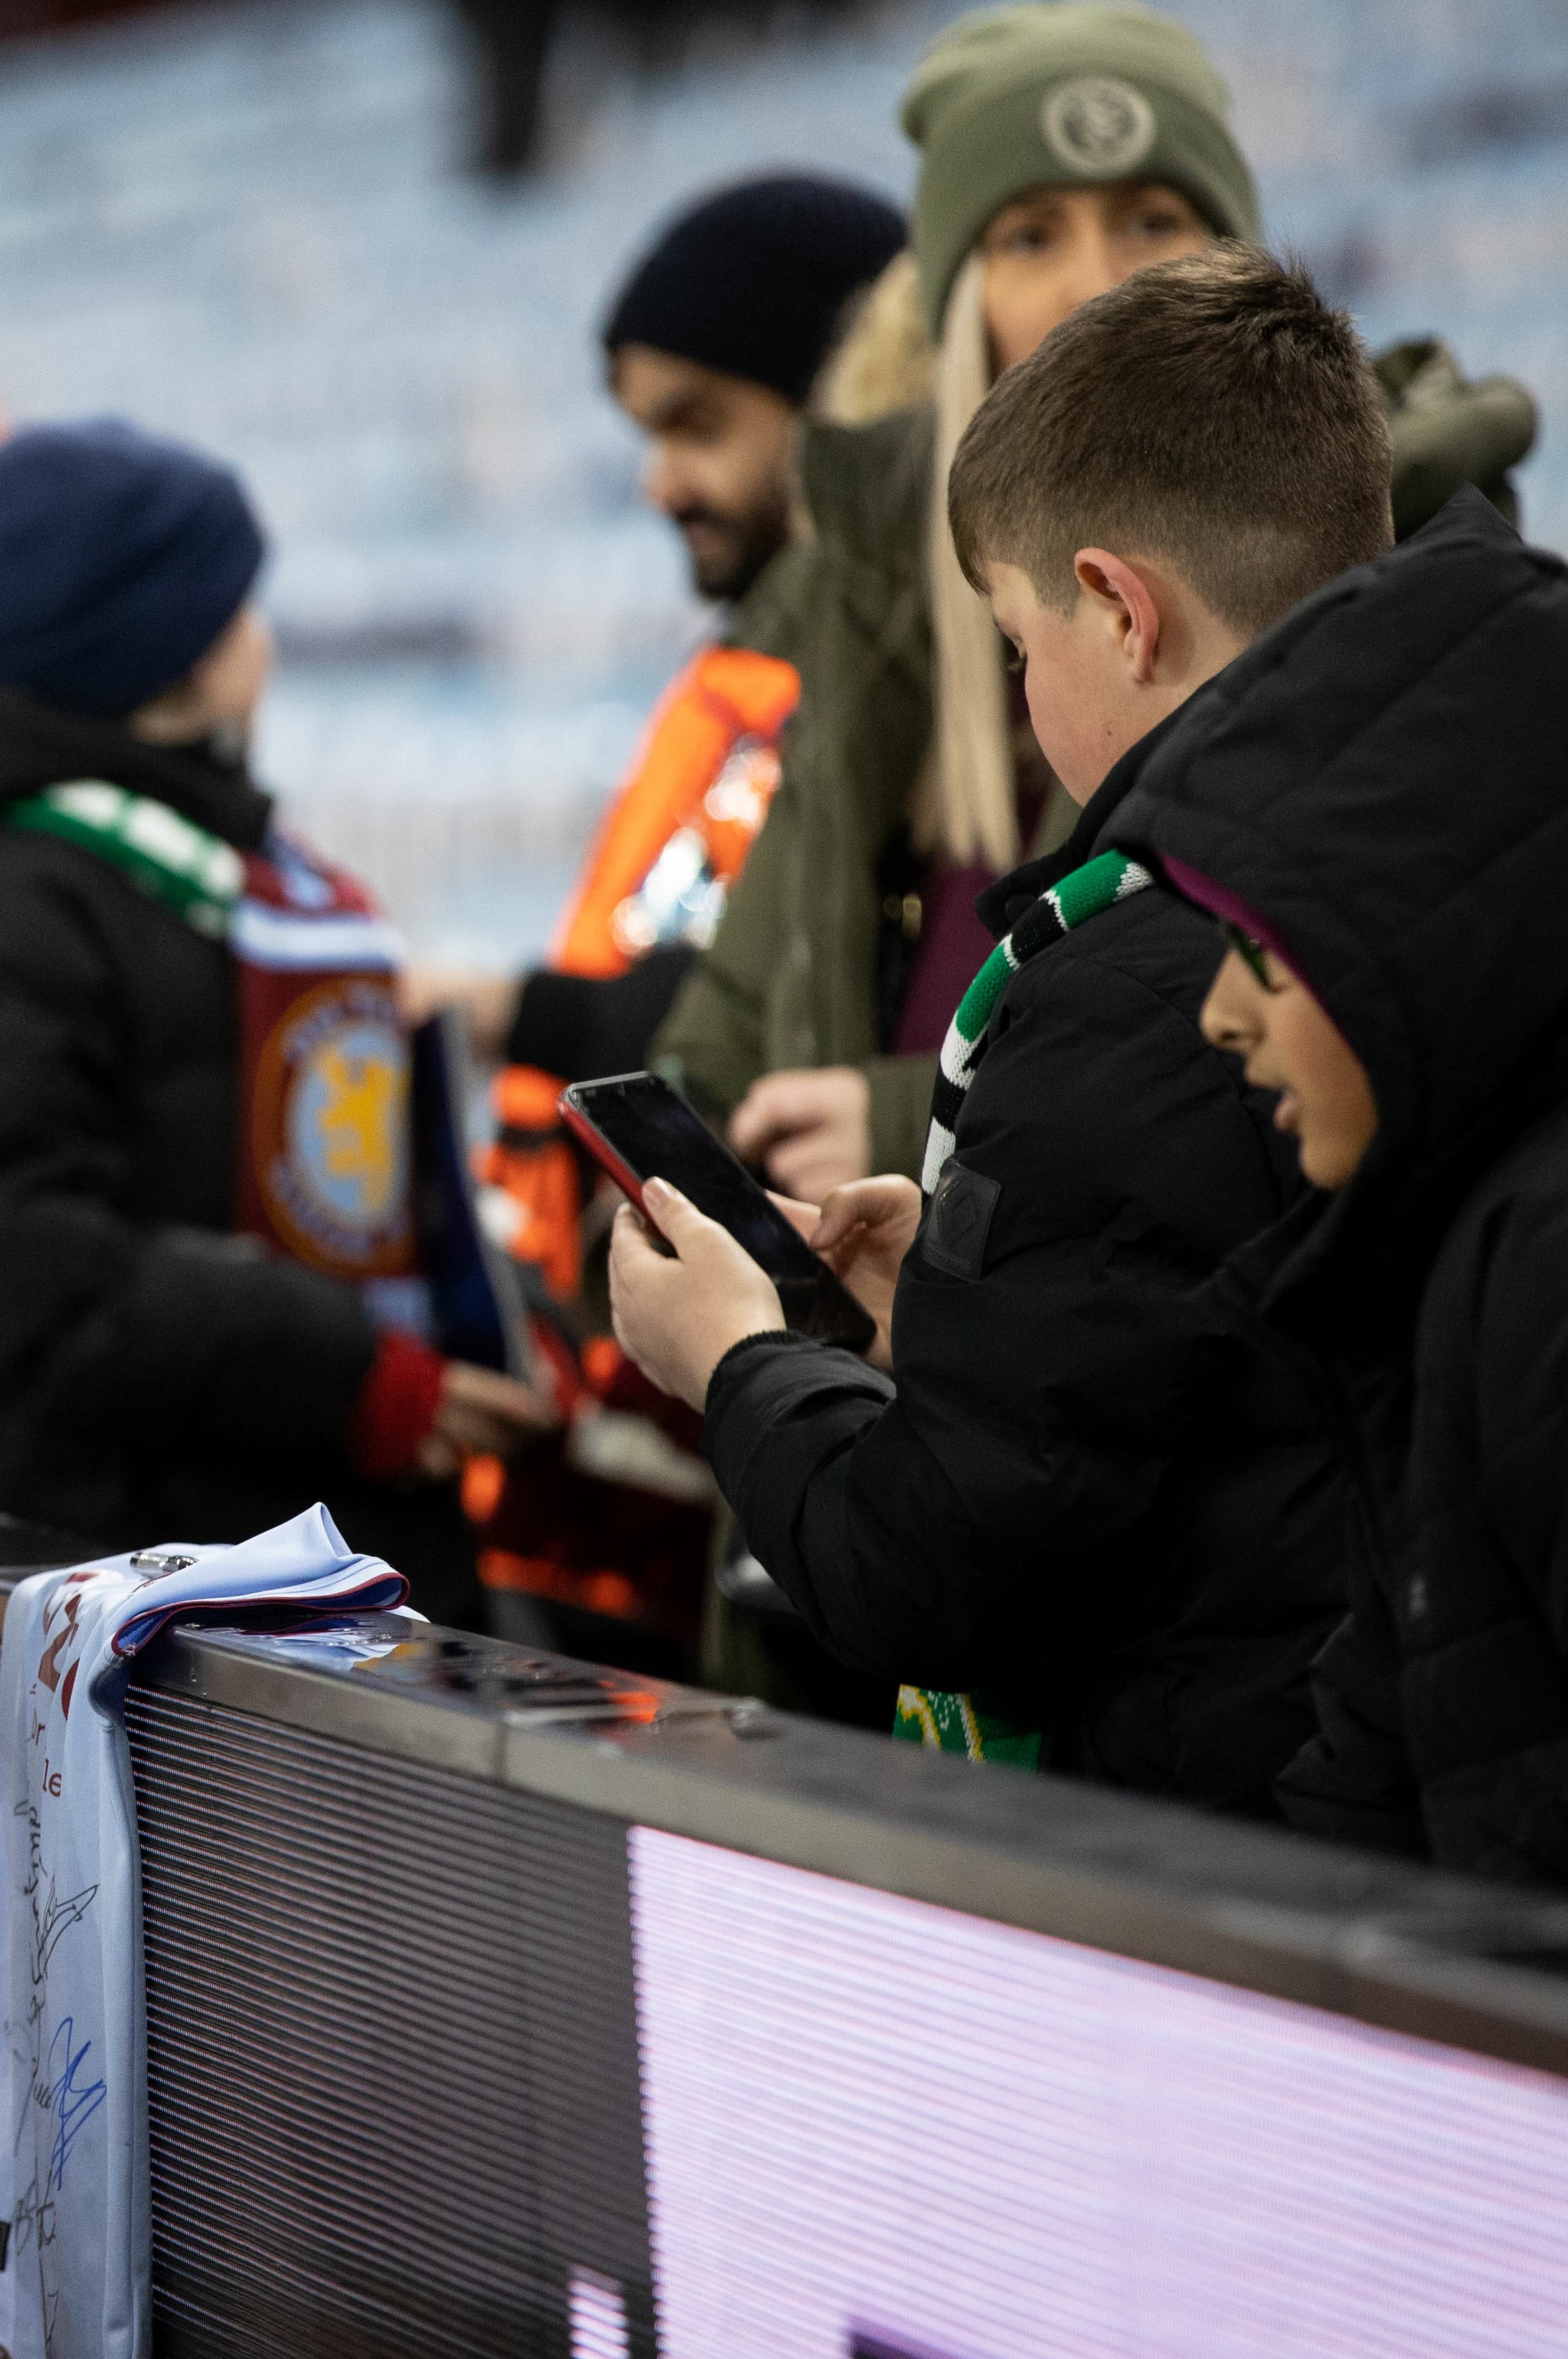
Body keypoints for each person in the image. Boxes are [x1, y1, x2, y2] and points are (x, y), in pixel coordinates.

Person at [607, 247, 1388, 1811]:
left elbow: (937, 1568)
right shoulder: (1439, 820)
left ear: (1115, 606)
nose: (1023, 695)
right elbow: (1223, 1362)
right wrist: (958, 1317)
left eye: (1021, 650)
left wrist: (738, 1364)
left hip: (1241, 1847)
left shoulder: (1145, 964)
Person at [649, 1, 1535, 1203]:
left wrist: (908, 1117)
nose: (1100, 281)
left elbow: (1366, 1029)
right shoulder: (870, 596)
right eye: (1028, 236)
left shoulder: (1397, 562)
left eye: (1153, 219)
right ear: (959, 303)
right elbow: (739, 1005)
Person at [0, 421, 554, 1613]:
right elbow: (10, 1273)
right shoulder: (13, 905)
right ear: (168, 652)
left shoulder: (194, 869)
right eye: (237, 604)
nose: (260, 640)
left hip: (259, 1566)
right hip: (154, 1618)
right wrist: (345, 1376)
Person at [411, 172, 900, 1658]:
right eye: (644, 433)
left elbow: (786, 1017)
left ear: (840, 408)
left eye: (699, 424)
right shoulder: (741, 667)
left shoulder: (896, 698)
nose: (658, 481)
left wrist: (518, 1008)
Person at [1102, 494, 1568, 1888]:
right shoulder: (1439, 1238)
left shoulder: (1542, 1261)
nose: (1217, 1021)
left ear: (1414, 944)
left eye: (1259, 947)